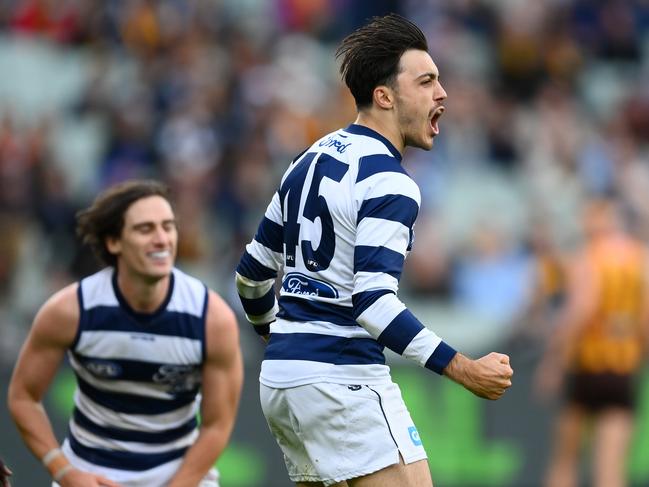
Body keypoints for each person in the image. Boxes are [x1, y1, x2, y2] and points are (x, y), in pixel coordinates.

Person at [235, 14, 513, 487]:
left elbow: (252, 275)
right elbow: (374, 305)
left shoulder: (308, 159)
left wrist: (278, 338)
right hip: (343, 379)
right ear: (384, 96)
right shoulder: (390, 180)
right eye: (426, 81)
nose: (441, 93)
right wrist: (462, 368)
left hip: (282, 382)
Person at [8, 180, 243, 487]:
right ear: (113, 242)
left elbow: (217, 424)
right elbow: (23, 396)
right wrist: (64, 471)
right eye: (145, 229)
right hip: (89, 472)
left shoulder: (211, 318)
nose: (162, 239)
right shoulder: (70, 310)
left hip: (179, 475)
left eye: (168, 227)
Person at [535, 197, 649, 487]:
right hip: (622, 369)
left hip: (586, 365)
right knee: (610, 467)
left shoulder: (588, 258)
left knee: (565, 460)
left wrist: (555, 360)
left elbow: (581, 309)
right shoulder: (640, 258)